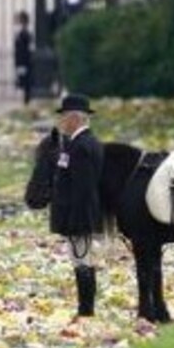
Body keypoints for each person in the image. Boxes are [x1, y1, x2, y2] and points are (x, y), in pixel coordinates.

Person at [50, 93, 106, 319]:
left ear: (74, 119)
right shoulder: (81, 143)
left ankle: (86, 310)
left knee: (82, 261)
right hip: (79, 214)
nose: (61, 122)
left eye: (64, 117)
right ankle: (85, 309)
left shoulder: (81, 147)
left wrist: (75, 222)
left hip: (79, 216)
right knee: (82, 261)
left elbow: (83, 188)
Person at [14, 11, 33, 105]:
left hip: (24, 60)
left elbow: (24, 47)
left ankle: (27, 100)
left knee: (25, 81)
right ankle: (26, 99)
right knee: (23, 80)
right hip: (21, 60)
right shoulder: (22, 32)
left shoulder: (25, 33)